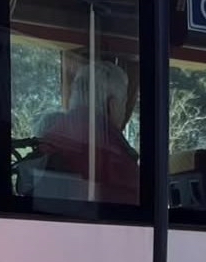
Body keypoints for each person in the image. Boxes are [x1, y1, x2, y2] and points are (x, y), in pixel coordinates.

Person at [38, 61, 140, 204]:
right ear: (113, 106)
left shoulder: (49, 139)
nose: (124, 113)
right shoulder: (115, 159)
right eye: (124, 103)